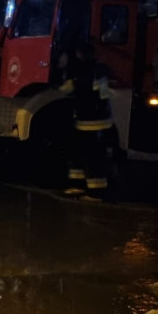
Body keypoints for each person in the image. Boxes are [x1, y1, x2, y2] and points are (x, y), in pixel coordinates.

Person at [59, 41, 114, 201]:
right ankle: (79, 186)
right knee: (79, 155)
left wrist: (71, 85)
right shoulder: (97, 69)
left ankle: (96, 193)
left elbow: (93, 92)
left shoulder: (90, 71)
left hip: (94, 122)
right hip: (87, 122)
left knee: (93, 157)